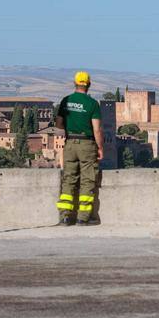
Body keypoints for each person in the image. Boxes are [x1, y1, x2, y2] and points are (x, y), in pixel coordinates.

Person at [55, 71, 103, 226]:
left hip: (69, 143)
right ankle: (83, 217)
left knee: (68, 178)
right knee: (88, 180)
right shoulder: (92, 104)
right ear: (88, 84)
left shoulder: (66, 101)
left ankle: (65, 217)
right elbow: (97, 129)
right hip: (87, 144)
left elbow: (59, 124)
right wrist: (100, 147)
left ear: (74, 83)